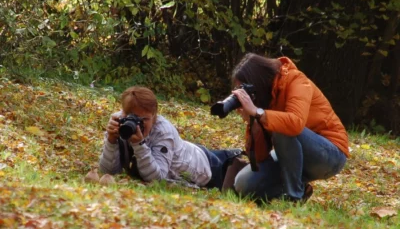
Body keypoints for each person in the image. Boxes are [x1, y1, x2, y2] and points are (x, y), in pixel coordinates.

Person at [229, 53, 349, 203]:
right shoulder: (263, 100)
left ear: (258, 82)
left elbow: (295, 124)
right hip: (291, 156)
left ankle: (294, 197)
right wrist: (253, 123)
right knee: (243, 184)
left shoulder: (296, 80)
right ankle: (299, 188)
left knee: (283, 129)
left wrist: (258, 112)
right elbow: (260, 158)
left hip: (330, 154)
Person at [99, 86, 242, 189]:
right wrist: (111, 141)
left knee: (238, 175)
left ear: (154, 116)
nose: (138, 124)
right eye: (134, 118)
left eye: (144, 120)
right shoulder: (120, 123)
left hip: (206, 167)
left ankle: (230, 155)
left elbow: (156, 178)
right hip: (182, 153)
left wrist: (139, 145)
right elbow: (108, 171)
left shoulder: (163, 131)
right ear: (124, 113)